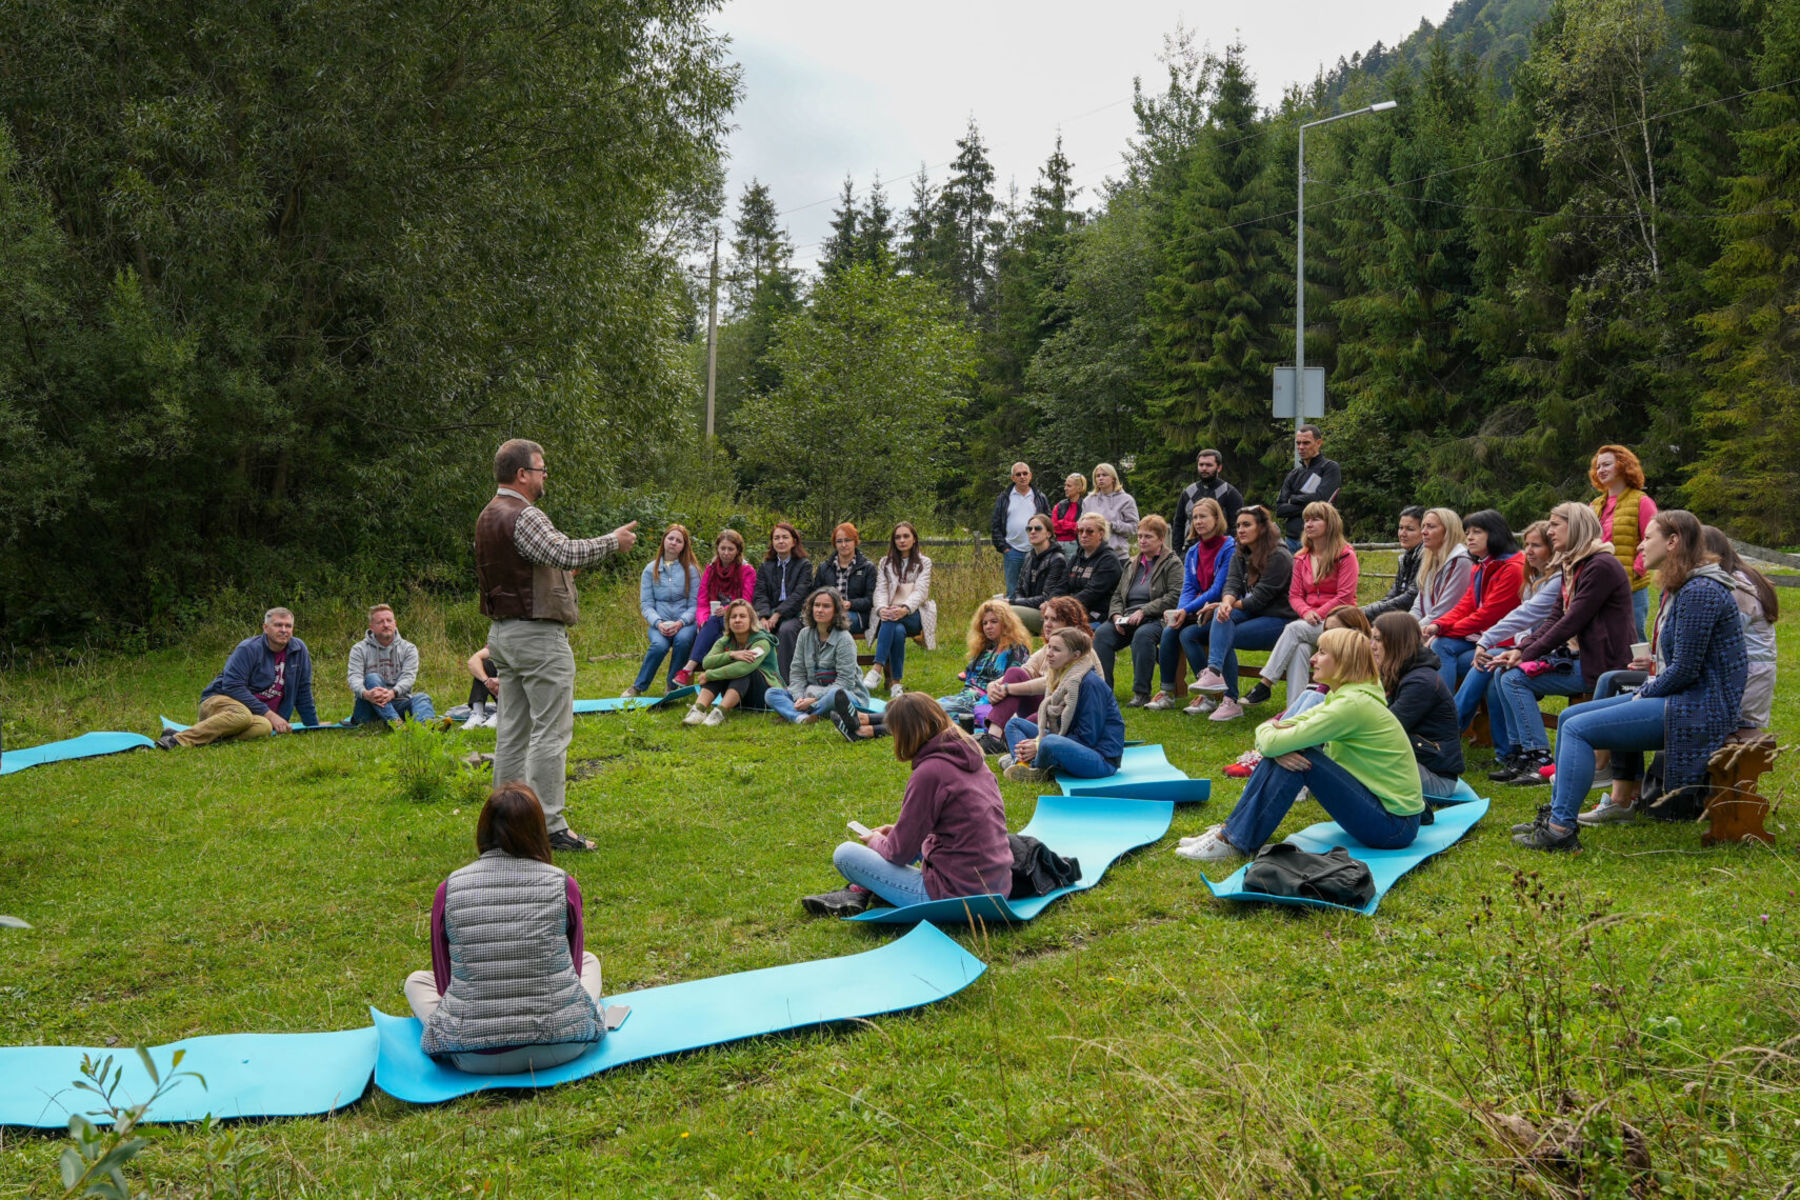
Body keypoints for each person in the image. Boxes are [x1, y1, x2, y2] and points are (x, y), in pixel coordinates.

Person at [1516, 511, 1747, 849]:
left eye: (1648, 537)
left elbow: (1685, 670)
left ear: (1672, 542)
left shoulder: (1700, 590)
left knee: (1578, 729)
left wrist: (1644, 691)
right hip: (1686, 698)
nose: (1641, 543)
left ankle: (1560, 830)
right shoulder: (1689, 586)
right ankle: (1556, 815)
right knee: (1568, 717)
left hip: (1698, 708)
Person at [473, 438, 635, 853]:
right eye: (541, 469)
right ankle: (549, 825)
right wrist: (611, 542)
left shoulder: (488, 515)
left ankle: (503, 824)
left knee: (512, 731)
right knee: (550, 732)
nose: (545, 477)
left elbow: (530, 568)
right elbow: (563, 551)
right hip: (537, 637)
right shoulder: (524, 514)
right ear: (522, 474)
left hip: (504, 635)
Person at [1177, 628, 1426, 862]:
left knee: (1299, 757)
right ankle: (1230, 832)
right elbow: (1277, 727)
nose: (1313, 659)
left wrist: (1273, 738)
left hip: (1394, 827)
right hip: (1390, 816)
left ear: (1343, 661)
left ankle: (1235, 839)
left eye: (1322, 652)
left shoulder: (1350, 706)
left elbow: (1275, 737)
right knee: (1290, 750)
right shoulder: (1342, 697)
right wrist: (1271, 735)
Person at [404, 784, 604, 1073]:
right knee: (589, 961)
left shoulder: (449, 889)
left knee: (416, 982)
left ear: (482, 830)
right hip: (563, 1045)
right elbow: (572, 969)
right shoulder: (563, 884)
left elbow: (444, 981)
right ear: (538, 830)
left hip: (475, 1056)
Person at [800, 694, 1012, 917]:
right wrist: (897, 833)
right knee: (904, 841)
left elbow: (898, 853)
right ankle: (860, 890)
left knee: (845, 854)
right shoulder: (973, 756)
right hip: (997, 888)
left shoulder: (930, 773)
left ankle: (860, 889)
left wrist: (876, 841)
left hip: (957, 898)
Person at [1486, 502, 1634, 784]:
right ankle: (1520, 753)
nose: (1550, 531)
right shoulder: (1574, 564)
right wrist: (1520, 650)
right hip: (1578, 656)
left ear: (1576, 525)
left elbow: (1572, 621)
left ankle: (1539, 758)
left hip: (1601, 663)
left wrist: (1526, 653)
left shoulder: (1600, 566)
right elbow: (1555, 617)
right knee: (1504, 671)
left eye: (1555, 524)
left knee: (1515, 679)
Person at [1218, 605, 1370, 779]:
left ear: (1354, 632)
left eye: (1333, 630)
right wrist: (1274, 723)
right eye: (1325, 630)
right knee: (1303, 658)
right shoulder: (1337, 669)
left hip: (1343, 742)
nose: (1326, 636)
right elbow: (1295, 594)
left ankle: (1266, 691)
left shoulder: (1363, 674)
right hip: (1321, 732)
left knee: (1313, 694)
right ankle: (1275, 746)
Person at [1454, 521, 1556, 763]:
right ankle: (1507, 752)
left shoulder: (1545, 578)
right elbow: (1520, 623)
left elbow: (1509, 616)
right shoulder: (1530, 577)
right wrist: (1437, 627)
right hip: (1516, 647)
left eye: (1536, 545)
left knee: (1492, 667)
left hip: (1545, 653)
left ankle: (1447, 731)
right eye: (1526, 544)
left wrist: (1506, 647)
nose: (1528, 551)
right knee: (1446, 649)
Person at [1242, 501, 1358, 708]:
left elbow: (1345, 596)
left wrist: (1318, 613)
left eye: (1315, 519)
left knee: (1294, 629)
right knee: (1301, 649)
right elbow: (1294, 595)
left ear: (1330, 524)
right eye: (1306, 520)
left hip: (1341, 622)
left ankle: (1265, 683)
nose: (1308, 524)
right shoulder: (1301, 557)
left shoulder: (1346, 555)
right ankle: (1295, 711)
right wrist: (1306, 612)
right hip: (1309, 622)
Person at [158, 607, 321, 748]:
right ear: (266, 627)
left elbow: (303, 690)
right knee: (244, 716)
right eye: (278, 625)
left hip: (255, 715)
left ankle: (202, 738)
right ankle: (176, 741)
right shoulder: (248, 649)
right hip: (219, 702)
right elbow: (232, 686)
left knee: (264, 728)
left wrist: (313, 725)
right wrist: (270, 714)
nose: (284, 630)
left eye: (288, 626)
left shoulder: (299, 650)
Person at [1192, 506, 1298, 722]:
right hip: (1252, 613)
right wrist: (1226, 603)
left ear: (1262, 528)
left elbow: (1260, 598)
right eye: (1238, 525)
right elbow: (1230, 584)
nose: (1240, 529)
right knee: (1223, 617)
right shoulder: (1240, 553)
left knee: (1223, 632)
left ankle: (1228, 696)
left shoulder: (1280, 556)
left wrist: (1226, 605)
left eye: (1247, 525)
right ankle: (1216, 677)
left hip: (1280, 620)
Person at [1002, 626, 1125, 783]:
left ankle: (1034, 766)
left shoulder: (1090, 684)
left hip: (1100, 759)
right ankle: (1022, 764)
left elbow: (1088, 738)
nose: (1049, 654)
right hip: (1068, 742)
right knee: (1015, 724)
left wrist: (1038, 745)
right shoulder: (1060, 676)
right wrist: (1038, 743)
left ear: (1076, 655)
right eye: (1049, 647)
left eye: (1056, 650)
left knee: (1048, 742)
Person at [1148, 499, 1237, 712]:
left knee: (1188, 635)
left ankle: (1207, 696)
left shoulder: (1229, 547)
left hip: (1221, 609)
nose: (1198, 521)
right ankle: (1167, 692)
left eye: (1203, 516)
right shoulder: (1193, 551)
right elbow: (1188, 587)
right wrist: (1180, 611)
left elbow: (1218, 588)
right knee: (1171, 631)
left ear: (1217, 519)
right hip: (1195, 610)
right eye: (1195, 517)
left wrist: (1186, 610)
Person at [1422, 510, 1522, 696]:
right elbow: (1464, 606)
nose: (1469, 538)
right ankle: (1445, 711)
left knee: (1438, 655)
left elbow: (1488, 615)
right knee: (1440, 645)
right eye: (1467, 533)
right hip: (1483, 639)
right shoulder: (1481, 566)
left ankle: (1447, 715)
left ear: (1494, 533)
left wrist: (1442, 630)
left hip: (1505, 642)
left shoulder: (1512, 569)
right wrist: (1437, 625)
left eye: (1477, 532)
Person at [973, 596, 1090, 752]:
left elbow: (1049, 682)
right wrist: (994, 685)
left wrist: (1008, 688)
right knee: (1015, 673)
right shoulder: (1046, 649)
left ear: (1070, 624)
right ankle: (994, 738)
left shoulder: (1082, 653)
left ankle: (1004, 740)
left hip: (1067, 713)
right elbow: (1025, 669)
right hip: (1047, 707)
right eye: (1045, 618)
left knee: (1016, 726)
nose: (1047, 624)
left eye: (1054, 620)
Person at [1091, 514, 1183, 706]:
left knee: (1143, 636)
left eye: (1148, 536)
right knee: (1102, 634)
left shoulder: (1172, 563)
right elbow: (1117, 595)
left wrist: (1145, 610)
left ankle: (1141, 693)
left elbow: (1175, 595)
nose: (1142, 540)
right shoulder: (1132, 564)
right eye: (1140, 536)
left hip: (1156, 619)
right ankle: (1104, 691)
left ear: (1160, 539)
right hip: (1126, 618)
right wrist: (1116, 615)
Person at [1371, 612, 1465, 797]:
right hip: (1417, 763)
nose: (1372, 646)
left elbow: (1386, 728)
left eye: (1378, 640)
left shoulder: (1420, 682)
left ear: (1397, 642)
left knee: (1357, 752)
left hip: (1436, 779)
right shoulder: (1401, 672)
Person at [1701, 527, 1778, 733]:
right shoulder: (1742, 576)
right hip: (1753, 671)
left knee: (1738, 733)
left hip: (1749, 675)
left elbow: (1727, 634)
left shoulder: (1735, 587)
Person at [1589, 444, 1659, 640]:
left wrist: (1637, 570)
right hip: (1598, 585)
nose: (1601, 470)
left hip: (1631, 588)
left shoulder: (1642, 501)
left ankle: (1641, 673)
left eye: (1607, 465)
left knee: (1632, 639)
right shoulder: (1594, 506)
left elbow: (1654, 540)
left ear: (1622, 465)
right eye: (1598, 466)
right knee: (1602, 638)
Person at [624, 523, 699, 698]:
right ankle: (638, 687)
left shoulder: (692, 570)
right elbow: (647, 604)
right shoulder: (650, 569)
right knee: (659, 646)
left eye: (678, 541)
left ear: (683, 546)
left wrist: (681, 623)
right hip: (660, 622)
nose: (673, 543)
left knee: (682, 641)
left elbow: (695, 604)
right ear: (664, 540)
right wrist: (658, 623)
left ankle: (671, 687)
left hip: (684, 623)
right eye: (670, 538)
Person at [863, 522, 936, 698]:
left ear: (914, 539)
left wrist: (904, 608)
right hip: (890, 613)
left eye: (906, 536)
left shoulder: (924, 563)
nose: (902, 540)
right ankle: (896, 684)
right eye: (898, 537)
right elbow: (880, 589)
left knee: (894, 620)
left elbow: (921, 591)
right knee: (897, 629)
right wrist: (881, 609)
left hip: (914, 613)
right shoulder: (885, 563)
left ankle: (877, 668)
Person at [685, 600, 781, 727]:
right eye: (733, 617)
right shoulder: (725, 640)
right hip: (738, 696)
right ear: (728, 621)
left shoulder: (763, 641)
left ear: (751, 620)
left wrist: (709, 675)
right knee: (723, 667)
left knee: (744, 671)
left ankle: (719, 713)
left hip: (765, 696)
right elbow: (707, 662)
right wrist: (731, 655)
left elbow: (743, 668)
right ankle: (698, 710)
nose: (737, 620)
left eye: (742, 616)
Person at [677, 529, 755, 685]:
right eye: (722, 548)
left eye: (730, 549)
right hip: (714, 621)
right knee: (716, 632)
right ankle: (713, 681)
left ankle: (688, 668)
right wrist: (702, 620)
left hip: (738, 616)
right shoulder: (711, 569)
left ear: (738, 550)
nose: (726, 553)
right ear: (717, 549)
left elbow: (747, 600)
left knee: (715, 622)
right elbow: (702, 600)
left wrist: (727, 610)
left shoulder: (747, 571)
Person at [782, 587, 869, 722]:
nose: (820, 610)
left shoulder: (844, 639)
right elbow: (797, 672)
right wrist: (799, 697)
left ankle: (807, 712)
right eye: (816, 605)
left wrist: (815, 700)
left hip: (845, 695)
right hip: (808, 694)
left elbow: (845, 682)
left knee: (836, 695)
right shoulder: (804, 634)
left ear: (836, 611)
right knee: (772, 693)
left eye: (826, 606)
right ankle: (802, 716)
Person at [938, 601, 1033, 722]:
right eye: (985, 623)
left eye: (994, 621)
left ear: (1006, 623)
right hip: (966, 696)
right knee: (929, 707)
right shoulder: (984, 646)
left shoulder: (1017, 649)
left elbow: (1013, 680)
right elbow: (970, 673)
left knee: (937, 712)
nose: (988, 626)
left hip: (987, 702)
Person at [347, 604, 435, 727]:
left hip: (399, 702)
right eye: (380, 622)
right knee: (372, 678)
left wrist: (392, 693)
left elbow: (408, 677)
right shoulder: (359, 649)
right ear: (371, 627)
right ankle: (396, 723)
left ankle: (426, 727)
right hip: (368, 707)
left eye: (389, 620)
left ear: (395, 623)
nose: (386, 625)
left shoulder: (409, 648)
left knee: (422, 697)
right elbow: (354, 678)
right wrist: (366, 694)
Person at [752, 522, 814, 682]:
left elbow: (800, 595)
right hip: (769, 614)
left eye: (785, 537)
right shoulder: (766, 566)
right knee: (758, 632)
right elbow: (760, 594)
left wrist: (778, 614)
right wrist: (764, 617)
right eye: (776, 538)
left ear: (794, 541)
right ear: (772, 542)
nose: (781, 541)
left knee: (786, 631)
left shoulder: (804, 565)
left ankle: (786, 682)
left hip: (795, 614)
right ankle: (759, 681)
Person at [1273, 424, 1342, 548]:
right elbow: (1280, 509)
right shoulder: (1294, 474)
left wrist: (1293, 499)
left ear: (1319, 443)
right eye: (1298, 443)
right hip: (1291, 540)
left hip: (1318, 540)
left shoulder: (1329, 468)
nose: (1301, 447)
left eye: (1306, 443)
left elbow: (1323, 500)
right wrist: (1311, 506)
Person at [990, 462, 1052, 597]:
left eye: (1025, 473)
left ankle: (1031, 618)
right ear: (1013, 478)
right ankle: (1013, 618)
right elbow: (995, 525)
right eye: (1018, 474)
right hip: (1013, 551)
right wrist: (1004, 547)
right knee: (1013, 591)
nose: (1022, 477)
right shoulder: (1004, 498)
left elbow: (1048, 522)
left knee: (1036, 589)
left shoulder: (1040, 497)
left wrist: (1045, 546)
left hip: (1036, 551)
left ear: (1030, 476)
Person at [1171, 449, 1245, 557]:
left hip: (1220, 553)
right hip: (1190, 552)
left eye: (1209, 465)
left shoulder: (1230, 493)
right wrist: (1178, 553)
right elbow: (1178, 524)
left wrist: (1232, 553)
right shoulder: (1188, 492)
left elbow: (1236, 527)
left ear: (1219, 467)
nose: (1204, 468)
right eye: (1201, 465)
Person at [1006, 514, 1069, 634]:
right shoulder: (1029, 556)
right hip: (1028, 608)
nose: (1033, 532)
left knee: (1004, 613)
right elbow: (1019, 590)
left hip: (1048, 615)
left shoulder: (1057, 559)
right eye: (1029, 529)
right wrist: (1018, 602)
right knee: (993, 609)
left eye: (1038, 528)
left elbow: (1047, 598)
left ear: (1049, 534)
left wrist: (1014, 603)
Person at [1408, 508, 1472, 627]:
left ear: (1448, 531)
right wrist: (1406, 625)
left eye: (1431, 527)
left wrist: (1412, 631)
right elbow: (1418, 607)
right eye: (1423, 526)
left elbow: (1444, 610)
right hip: (1430, 627)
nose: (1424, 532)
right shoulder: (1430, 560)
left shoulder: (1461, 560)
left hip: (1453, 630)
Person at [1059, 513, 1124, 625]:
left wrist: (1062, 607)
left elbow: (1091, 594)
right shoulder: (1076, 557)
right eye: (1080, 531)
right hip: (1072, 610)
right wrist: (1052, 603)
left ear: (1101, 534)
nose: (1084, 535)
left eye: (1089, 531)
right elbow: (1061, 585)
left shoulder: (1109, 560)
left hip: (1098, 615)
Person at [1363, 506, 1426, 619]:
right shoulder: (1405, 558)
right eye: (1400, 528)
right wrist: (1362, 611)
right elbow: (1391, 596)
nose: (1402, 533)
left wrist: (1362, 613)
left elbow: (1410, 598)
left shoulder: (1426, 558)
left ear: (1424, 532)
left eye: (1410, 529)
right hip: (1400, 615)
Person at [814, 523, 878, 635]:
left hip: (857, 614)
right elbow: (815, 594)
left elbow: (870, 600)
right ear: (835, 543)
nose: (843, 545)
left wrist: (850, 604)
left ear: (855, 542)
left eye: (847, 540)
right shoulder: (824, 567)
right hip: (827, 612)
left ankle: (837, 652)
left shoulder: (868, 567)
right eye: (839, 541)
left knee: (837, 622)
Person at [1082, 463, 1139, 556]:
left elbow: (1134, 528)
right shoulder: (1088, 501)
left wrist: (1112, 525)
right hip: (1092, 554)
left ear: (1113, 478)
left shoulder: (1126, 500)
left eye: (1104, 475)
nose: (1100, 478)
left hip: (1117, 555)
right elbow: (1081, 526)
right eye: (1097, 476)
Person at [462, 646, 500, 730]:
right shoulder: (502, 639)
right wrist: (487, 682)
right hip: (499, 687)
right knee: (482, 665)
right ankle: (477, 714)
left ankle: (502, 714)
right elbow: (473, 661)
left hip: (520, 687)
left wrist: (499, 681)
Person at [1052, 474, 1087, 559]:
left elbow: (1081, 527)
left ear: (1079, 488)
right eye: (1065, 485)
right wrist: (1072, 526)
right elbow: (1053, 526)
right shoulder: (1060, 505)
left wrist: (1062, 523)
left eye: (1069, 486)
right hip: (1058, 545)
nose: (1065, 488)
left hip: (1077, 546)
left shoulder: (1085, 505)